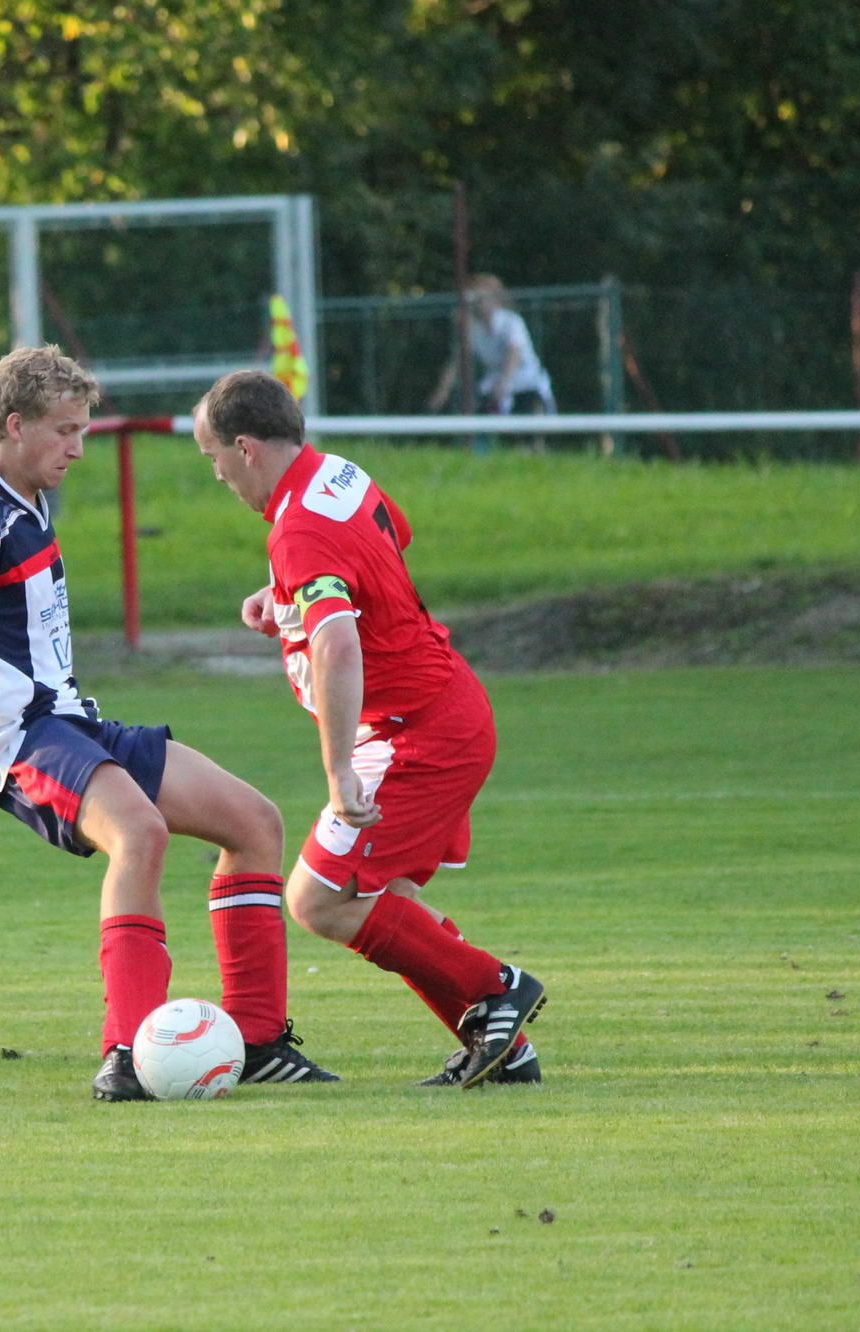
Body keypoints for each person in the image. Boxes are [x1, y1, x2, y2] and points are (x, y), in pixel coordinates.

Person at [0, 346, 337, 1102]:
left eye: (83, 431)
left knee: (254, 822)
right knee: (140, 833)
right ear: (15, 425)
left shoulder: (27, 500)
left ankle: (259, 1040)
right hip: (23, 740)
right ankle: (127, 1051)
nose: (77, 448)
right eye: (64, 431)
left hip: (70, 721)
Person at [193, 370, 547, 1088]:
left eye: (215, 458)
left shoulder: (299, 529)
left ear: (245, 447)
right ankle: (503, 1053)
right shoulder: (338, 474)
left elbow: (337, 645)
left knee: (317, 899)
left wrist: (338, 772)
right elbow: (390, 540)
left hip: (416, 734)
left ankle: (497, 988)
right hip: (446, 708)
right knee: (386, 901)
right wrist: (285, 595)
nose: (219, 475)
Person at [426, 274, 555, 417]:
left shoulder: (511, 322)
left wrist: (504, 382)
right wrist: (443, 390)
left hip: (526, 382)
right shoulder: (473, 329)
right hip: (494, 384)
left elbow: (514, 353)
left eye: (480, 299)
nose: (476, 304)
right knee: (482, 413)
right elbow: (458, 360)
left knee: (532, 415)